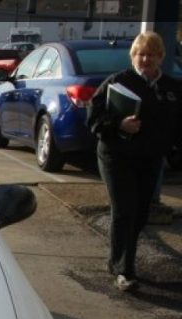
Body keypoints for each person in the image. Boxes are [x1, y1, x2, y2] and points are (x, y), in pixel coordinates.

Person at [87, 31, 182, 291]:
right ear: (133, 57)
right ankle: (123, 271)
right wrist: (119, 124)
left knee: (140, 214)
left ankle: (116, 260)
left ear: (161, 57)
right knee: (125, 210)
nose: (145, 59)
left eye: (151, 54)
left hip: (149, 159)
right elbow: (94, 118)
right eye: (141, 54)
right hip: (116, 156)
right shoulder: (118, 82)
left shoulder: (173, 88)